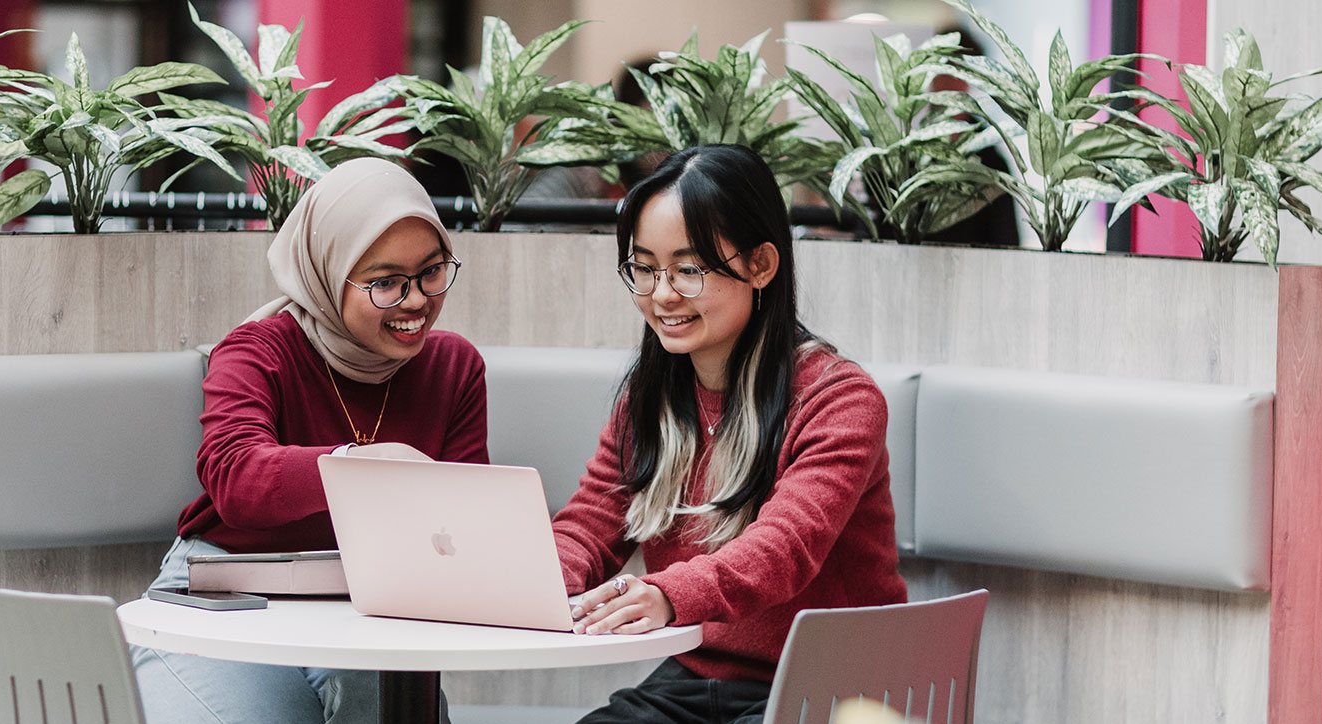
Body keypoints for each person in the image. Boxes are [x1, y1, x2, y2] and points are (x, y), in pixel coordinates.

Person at [552, 144, 908, 724]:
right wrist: (538, 574)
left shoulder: (838, 399)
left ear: (760, 265)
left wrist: (668, 594)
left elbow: (782, 550)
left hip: (836, 688)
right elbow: (592, 524)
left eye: (689, 270)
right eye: (644, 267)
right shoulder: (652, 399)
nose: (661, 293)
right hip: (695, 674)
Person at [131, 158, 487, 724]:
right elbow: (237, 478)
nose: (416, 301)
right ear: (326, 272)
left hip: (368, 600)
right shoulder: (256, 351)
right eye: (386, 283)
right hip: (227, 589)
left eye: (432, 271)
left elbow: (468, 518)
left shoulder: (454, 367)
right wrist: (357, 466)